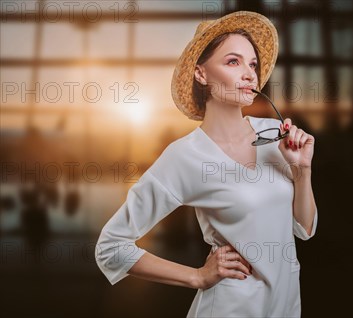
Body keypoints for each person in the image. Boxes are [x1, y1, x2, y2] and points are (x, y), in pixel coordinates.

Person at [95, 11, 318, 318]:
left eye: (252, 64)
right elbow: (111, 247)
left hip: (286, 307)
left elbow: (303, 230)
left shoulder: (273, 133)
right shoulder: (185, 157)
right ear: (201, 73)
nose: (250, 73)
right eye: (233, 62)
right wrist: (197, 276)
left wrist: (301, 170)